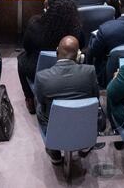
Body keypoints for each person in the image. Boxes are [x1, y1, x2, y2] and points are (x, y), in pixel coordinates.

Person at [34, 35, 102, 163]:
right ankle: (85, 144)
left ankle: (54, 150)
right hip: (84, 123)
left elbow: (41, 101)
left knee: (39, 108)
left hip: (55, 126)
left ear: (57, 52)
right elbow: (96, 97)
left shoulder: (41, 77)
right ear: (79, 55)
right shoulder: (90, 72)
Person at [18, 0, 84, 111]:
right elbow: (81, 46)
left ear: (48, 7)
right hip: (70, 69)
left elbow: (27, 47)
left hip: (39, 70)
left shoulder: (35, 23)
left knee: (21, 59)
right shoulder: (76, 26)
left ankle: (30, 98)